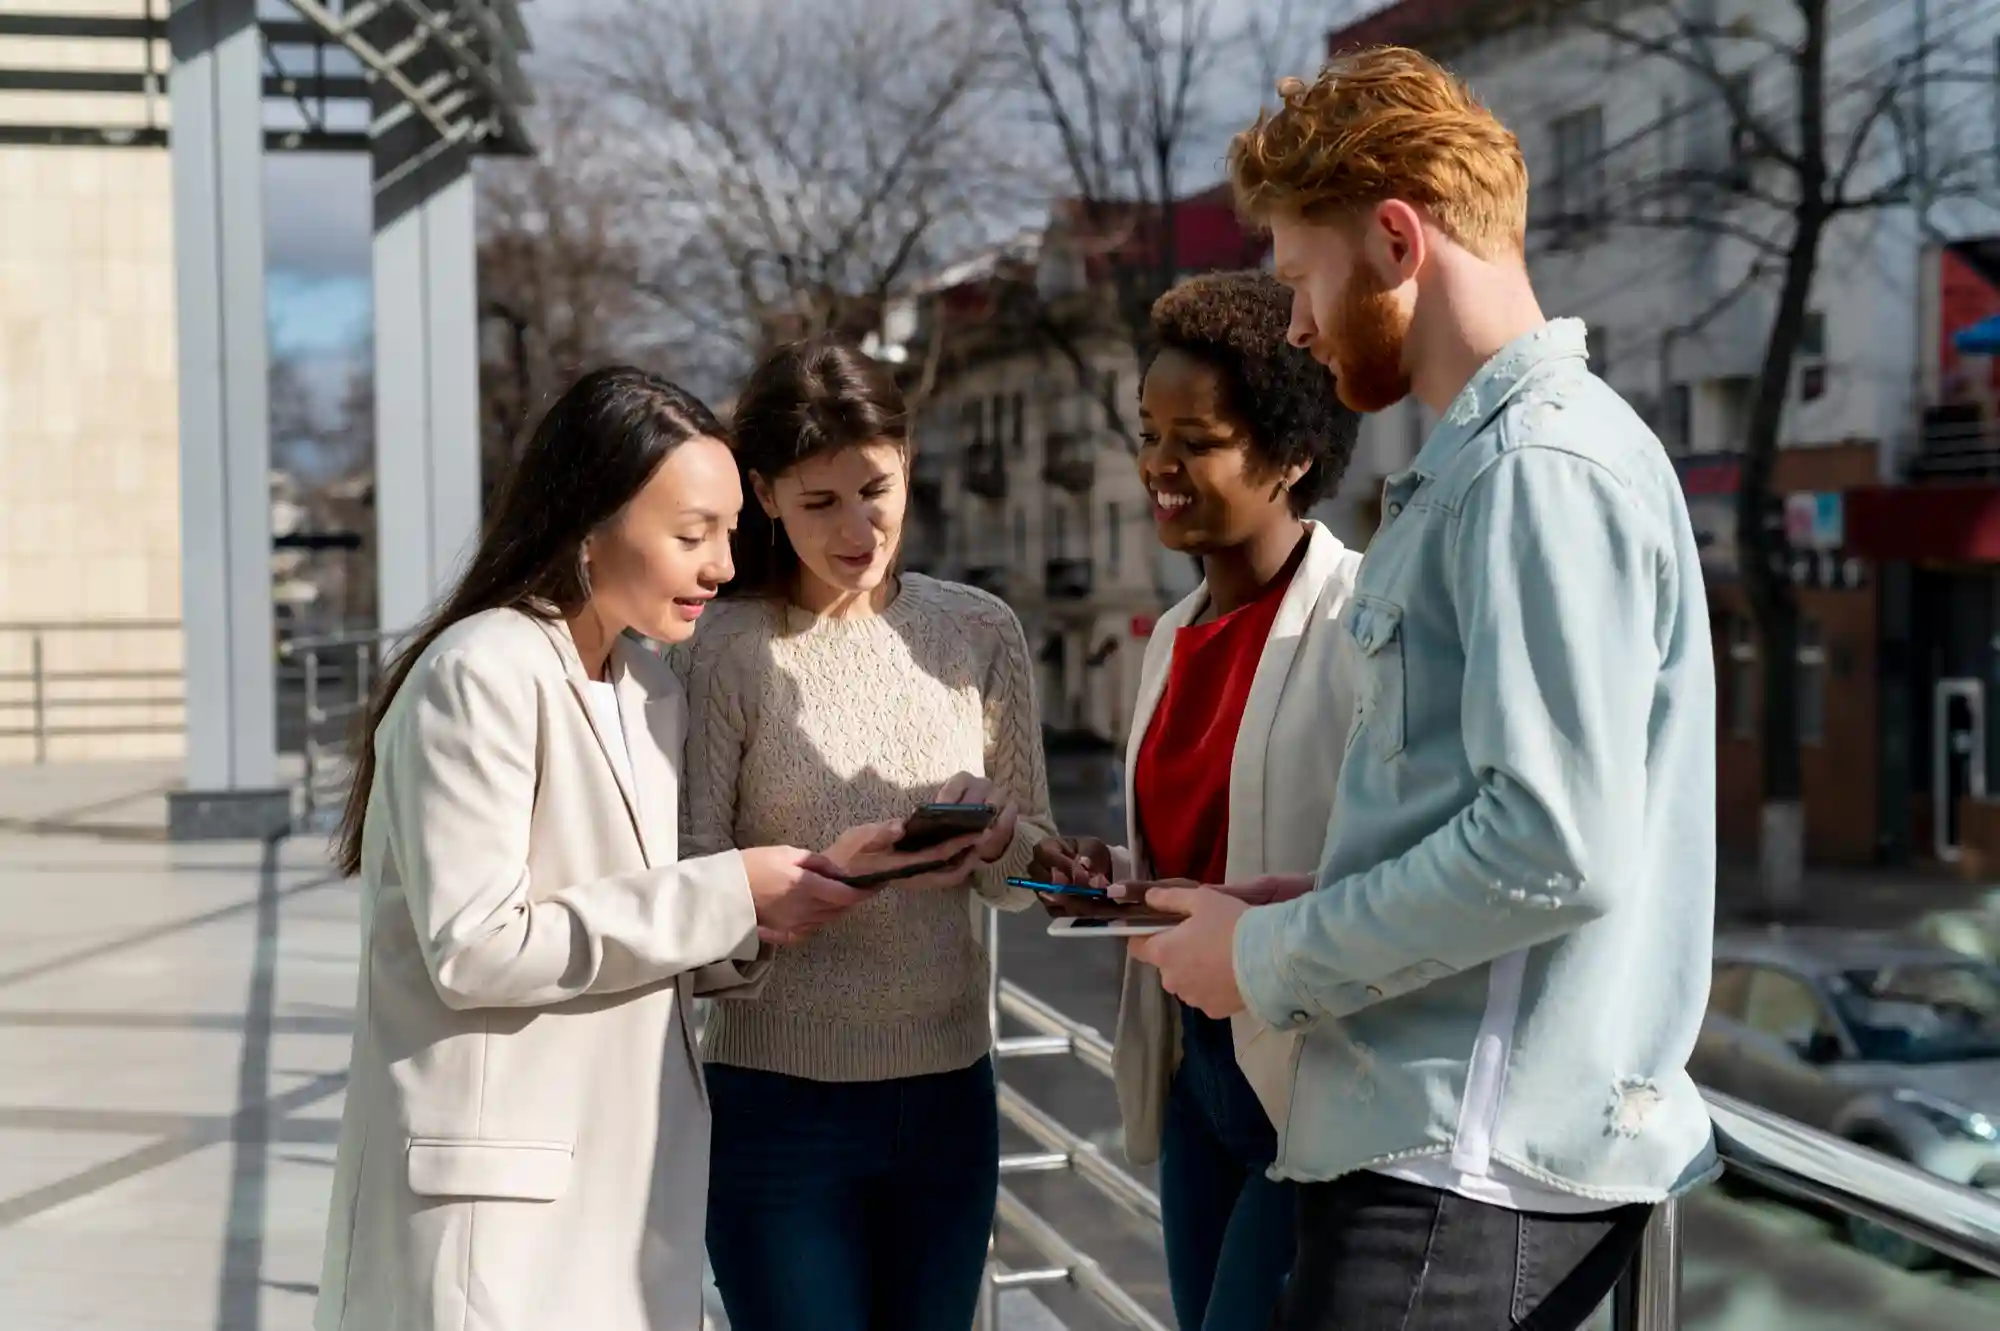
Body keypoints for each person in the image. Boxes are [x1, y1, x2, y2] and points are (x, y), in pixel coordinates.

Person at [1131, 46, 1719, 1331]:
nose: (1290, 323)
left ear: (1394, 240)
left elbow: (1551, 847)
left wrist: (1270, 953)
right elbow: (1490, 810)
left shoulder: (1535, 469)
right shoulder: (1498, 465)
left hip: (1465, 1169)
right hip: (1448, 1154)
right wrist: (1316, 895)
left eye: (1299, 277)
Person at [314, 368, 977, 1331]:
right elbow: (478, 945)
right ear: (590, 524)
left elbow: (640, 932)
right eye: (689, 534)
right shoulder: (480, 672)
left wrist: (789, 893)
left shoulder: (648, 691)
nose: (719, 564)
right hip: (492, 1217)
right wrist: (726, 893)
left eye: (725, 533)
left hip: (619, 1205)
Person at [678, 336, 1053, 1331]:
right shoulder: (723, 649)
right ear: (762, 494)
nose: (857, 527)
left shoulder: (980, 631)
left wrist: (1001, 842)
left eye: (874, 489)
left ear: (908, 460)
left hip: (949, 1096)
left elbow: (1033, 883)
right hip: (774, 1106)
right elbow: (685, 896)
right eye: (818, 502)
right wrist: (801, 893)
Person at [1030, 270, 1363, 1331]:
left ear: (1290, 453)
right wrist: (1116, 884)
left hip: (1308, 1080)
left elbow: (1388, 863)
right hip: (1192, 1077)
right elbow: (1196, 856)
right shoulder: (1168, 635)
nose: (1157, 466)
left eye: (1197, 438)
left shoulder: (1361, 624)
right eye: (1149, 430)